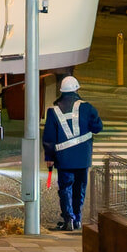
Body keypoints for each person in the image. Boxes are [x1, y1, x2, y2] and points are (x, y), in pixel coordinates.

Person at [42, 75, 103, 231]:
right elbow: (98, 127)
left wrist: (49, 157)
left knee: (65, 188)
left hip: (64, 158)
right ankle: (78, 220)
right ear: (77, 89)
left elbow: (49, 137)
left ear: (61, 91)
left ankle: (68, 219)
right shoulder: (87, 107)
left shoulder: (53, 111)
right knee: (79, 189)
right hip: (83, 157)